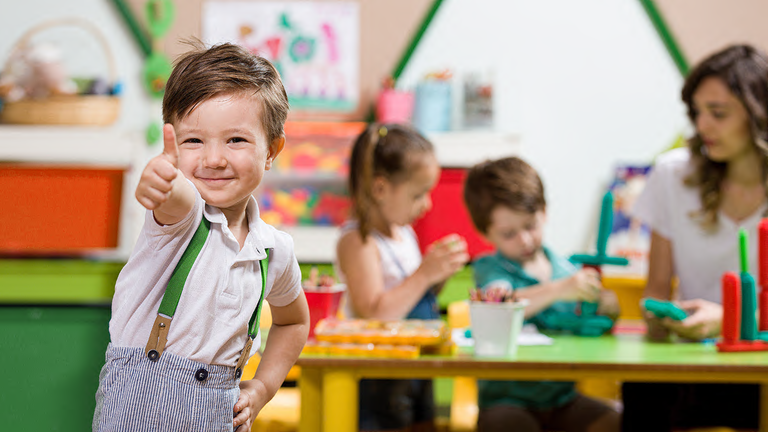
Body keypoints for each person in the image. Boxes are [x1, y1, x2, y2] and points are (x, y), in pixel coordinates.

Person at [92, 43, 309, 432]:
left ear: (272, 149)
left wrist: (263, 387)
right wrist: (161, 180)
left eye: (236, 140)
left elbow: (293, 323)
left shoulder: (275, 250)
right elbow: (175, 196)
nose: (213, 159)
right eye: (193, 141)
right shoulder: (184, 217)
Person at [621, 44, 767, 431]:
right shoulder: (673, 176)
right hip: (694, 361)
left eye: (718, 113)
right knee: (643, 391)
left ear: (759, 114)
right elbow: (655, 290)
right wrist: (660, 317)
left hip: (760, 363)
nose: (702, 126)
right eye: (697, 112)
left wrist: (730, 321)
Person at [464, 156, 621, 432]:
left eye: (530, 226)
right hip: (506, 402)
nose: (524, 240)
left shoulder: (565, 269)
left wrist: (606, 306)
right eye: (509, 233)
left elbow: (592, 326)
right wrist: (559, 290)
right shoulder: (491, 268)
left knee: (612, 421)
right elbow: (498, 306)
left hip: (562, 399)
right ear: (485, 234)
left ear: (544, 212)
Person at [334, 123, 469, 432]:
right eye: (418, 194)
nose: (428, 204)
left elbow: (413, 297)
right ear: (380, 189)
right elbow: (375, 313)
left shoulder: (404, 233)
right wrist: (424, 274)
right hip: (382, 374)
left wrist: (438, 275)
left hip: (416, 364)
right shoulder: (358, 241)